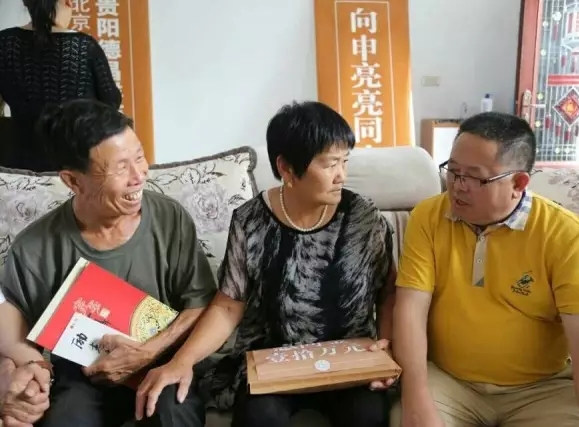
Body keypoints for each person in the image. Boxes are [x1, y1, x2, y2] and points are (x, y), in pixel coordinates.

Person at [134, 101, 397, 427]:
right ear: (286, 168)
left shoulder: (364, 219)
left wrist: (385, 352)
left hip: (348, 361)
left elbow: (389, 293)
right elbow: (227, 306)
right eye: (330, 164)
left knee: (368, 415)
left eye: (344, 161)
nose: (341, 175)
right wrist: (182, 360)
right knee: (260, 416)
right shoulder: (250, 221)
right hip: (272, 363)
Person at [393, 112, 579, 427]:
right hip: (448, 381)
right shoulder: (427, 217)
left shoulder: (565, 235)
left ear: (518, 183)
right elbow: (410, 310)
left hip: (542, 390)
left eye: (475, 178)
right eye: (453, 171)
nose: (458, 186)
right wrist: (415, 399)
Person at [0, 99, 214, 427]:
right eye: (120, 167)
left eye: (139, 157)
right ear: (73, 181)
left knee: (174, 411)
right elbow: (13, 340)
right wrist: (22, 379)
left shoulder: (169, 218)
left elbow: (201, 304)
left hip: (161, 361)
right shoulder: (34, 248)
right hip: (82, 376)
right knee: (66, 419)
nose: (139, 176)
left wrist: (147, 352)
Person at [0, 0, 122, 172]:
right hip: (77, 166)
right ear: (68, 2)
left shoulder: (4, 42)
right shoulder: (85, 47)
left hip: (20, 165)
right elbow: (111, 102)